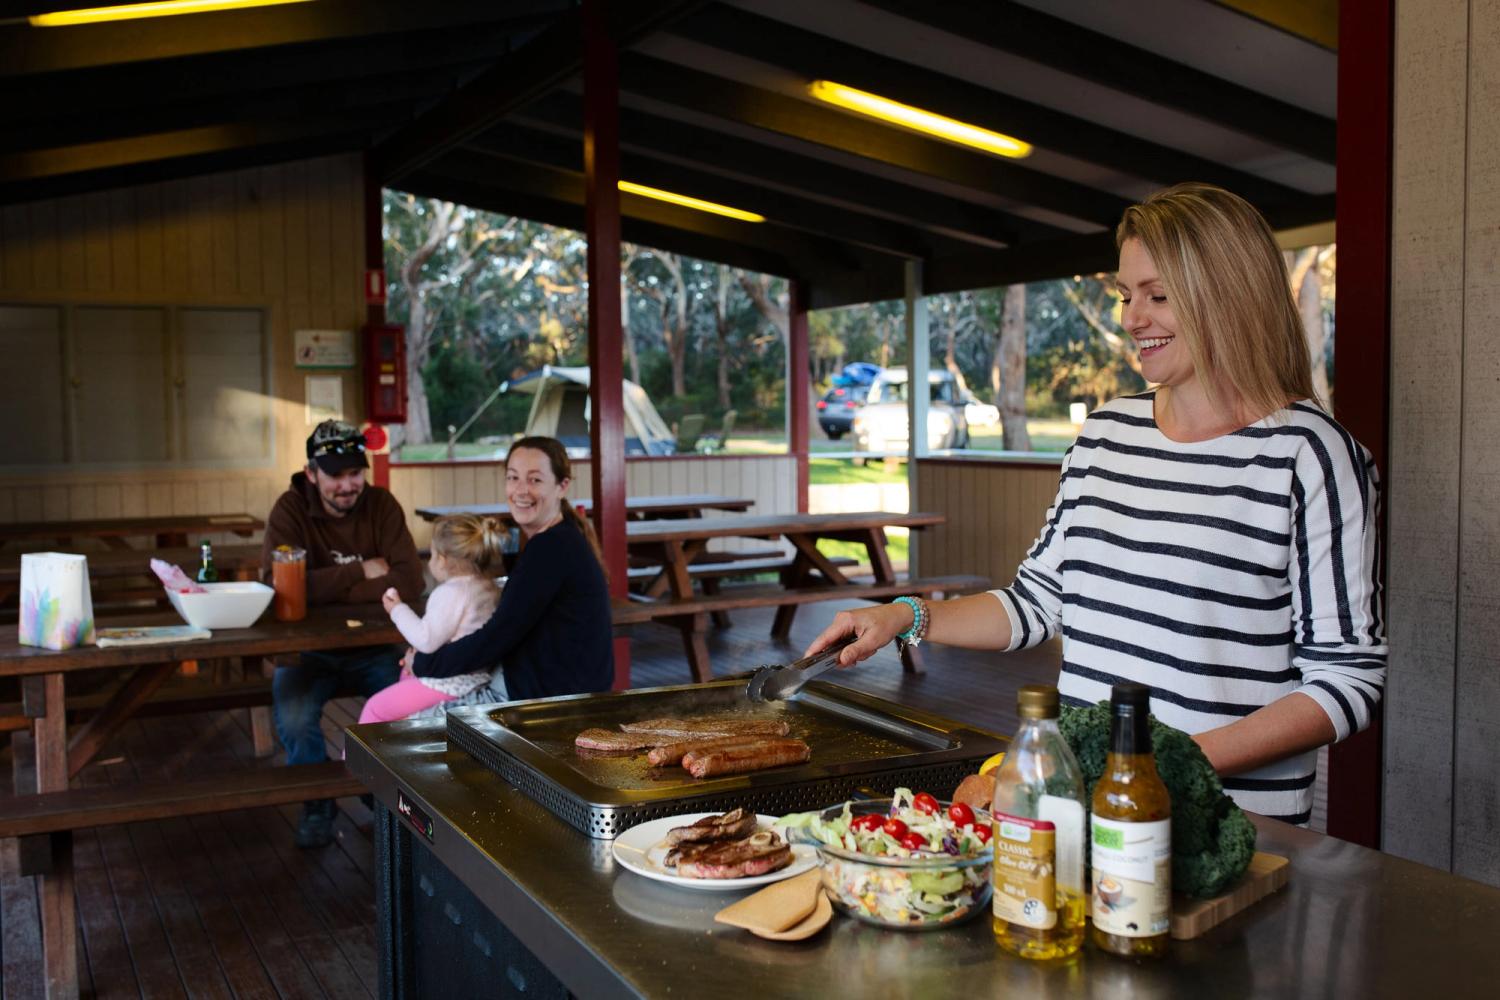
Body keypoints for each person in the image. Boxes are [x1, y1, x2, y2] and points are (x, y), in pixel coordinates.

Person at [806, 183, 1386, 826]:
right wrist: (906, 616)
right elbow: (1039, 601)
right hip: (1081, 810)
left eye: (1158, 295)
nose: (1132, 319)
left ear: (1228, 295)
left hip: (1228, 826)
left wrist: (1161, 767)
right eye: (1126, 295)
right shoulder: (1106, 435)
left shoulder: (1311, 455)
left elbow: (1348, 681)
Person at [262, 419, 424, 848]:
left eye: (355, 473)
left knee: (410, 709)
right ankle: (317, 803)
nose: (348, 485)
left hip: (375, 647)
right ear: (311, 473)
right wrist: (362, 571)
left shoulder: (381, 504)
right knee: (294, 719)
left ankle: (381, 794)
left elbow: (410, 581)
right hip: (306, 652)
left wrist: (319, 586)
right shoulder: (289, 509)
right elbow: (281, 588)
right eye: (335, 475)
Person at [410, 436, 613, 700]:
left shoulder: (550, 549)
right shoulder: (562, 536)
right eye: (513, 477)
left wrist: (423, 663)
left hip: (546, 702)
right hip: (560, 689)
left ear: (562, 486)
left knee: (402, 721)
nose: (521, 490)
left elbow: (496, 636)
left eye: (535, 480)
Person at [360, 515, 505, 723]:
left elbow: (426, 640)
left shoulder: (451, 592)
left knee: (375, 708)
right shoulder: (487, 586)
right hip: (476, 676)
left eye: (432, 554)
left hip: (447, 682)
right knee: (405, 676)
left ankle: (362, 747)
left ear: (442, 560)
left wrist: (397, 609)